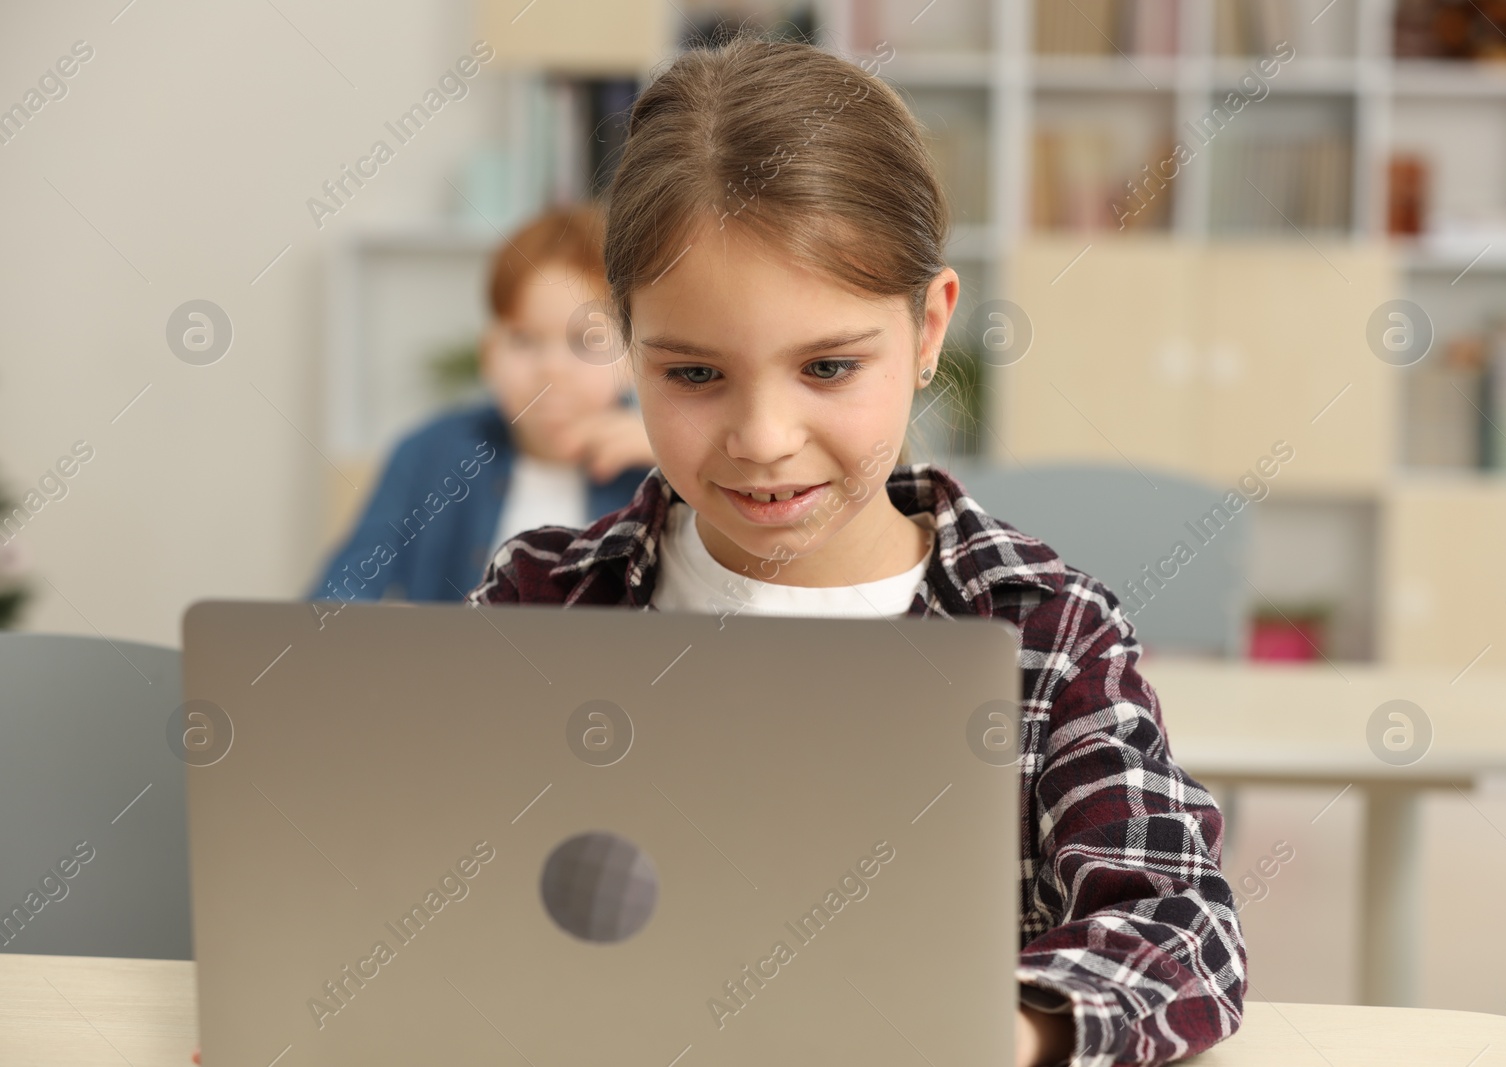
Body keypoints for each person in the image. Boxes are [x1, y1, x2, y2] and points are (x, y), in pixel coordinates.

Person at [468, 34, 1246, 1067]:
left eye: (827, 365)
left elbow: (1181, 930)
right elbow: (436, 893)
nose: (761, 436)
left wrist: (993, 1028)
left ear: (928, 330)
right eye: (694, 374)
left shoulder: (1043, 630)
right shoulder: (542, 601)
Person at [309, 204, 655, 604]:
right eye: (524, 340)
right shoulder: (429, 456)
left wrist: (672, 466)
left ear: (632, 358)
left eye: (586, 341)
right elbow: (338, 596)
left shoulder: (660, 470)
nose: (552, 370)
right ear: (489, 353)